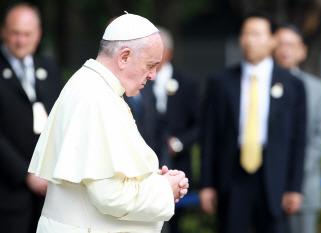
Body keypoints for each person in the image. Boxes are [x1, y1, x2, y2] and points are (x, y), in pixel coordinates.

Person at [28, 12, 189, 233]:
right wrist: (164, 189)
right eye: (150, 65)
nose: (153, 75)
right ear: (124, 57)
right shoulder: (96, 97)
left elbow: (103, 176)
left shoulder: (91, 86)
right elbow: (112, 197)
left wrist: (150, 181)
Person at [200, 11, 306, 233]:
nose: (249, 40)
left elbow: (298, 140)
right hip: (233, 176)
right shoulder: (221, 82)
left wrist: (294, 187)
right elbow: (209, 135)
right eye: (245, 34)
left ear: (272, 39)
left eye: (257, 34)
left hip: (274, 177)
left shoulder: (292, 84)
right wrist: (208, 184)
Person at [125, 26, 199, 233]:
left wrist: (164, 172)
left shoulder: (178, 83)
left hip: (166, 170)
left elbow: (162, 127)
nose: (152, 74)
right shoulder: (128, 87)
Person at [0, 3, 63, 233]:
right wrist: (26, 174)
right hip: (9, 193)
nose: (20, 40)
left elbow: (60, 120)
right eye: (15, 33)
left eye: (27, 34)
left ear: (38, 34)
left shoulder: (49, 67)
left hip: (49, 192)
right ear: (3, 31)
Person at [274, 24, 321, 233]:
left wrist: (296, 169)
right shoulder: (257, 84)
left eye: (290, 44)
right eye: (279, 43)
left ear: (302, 50)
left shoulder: (318, 89)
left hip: (305, 184)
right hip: (265, 186)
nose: (284, 50)